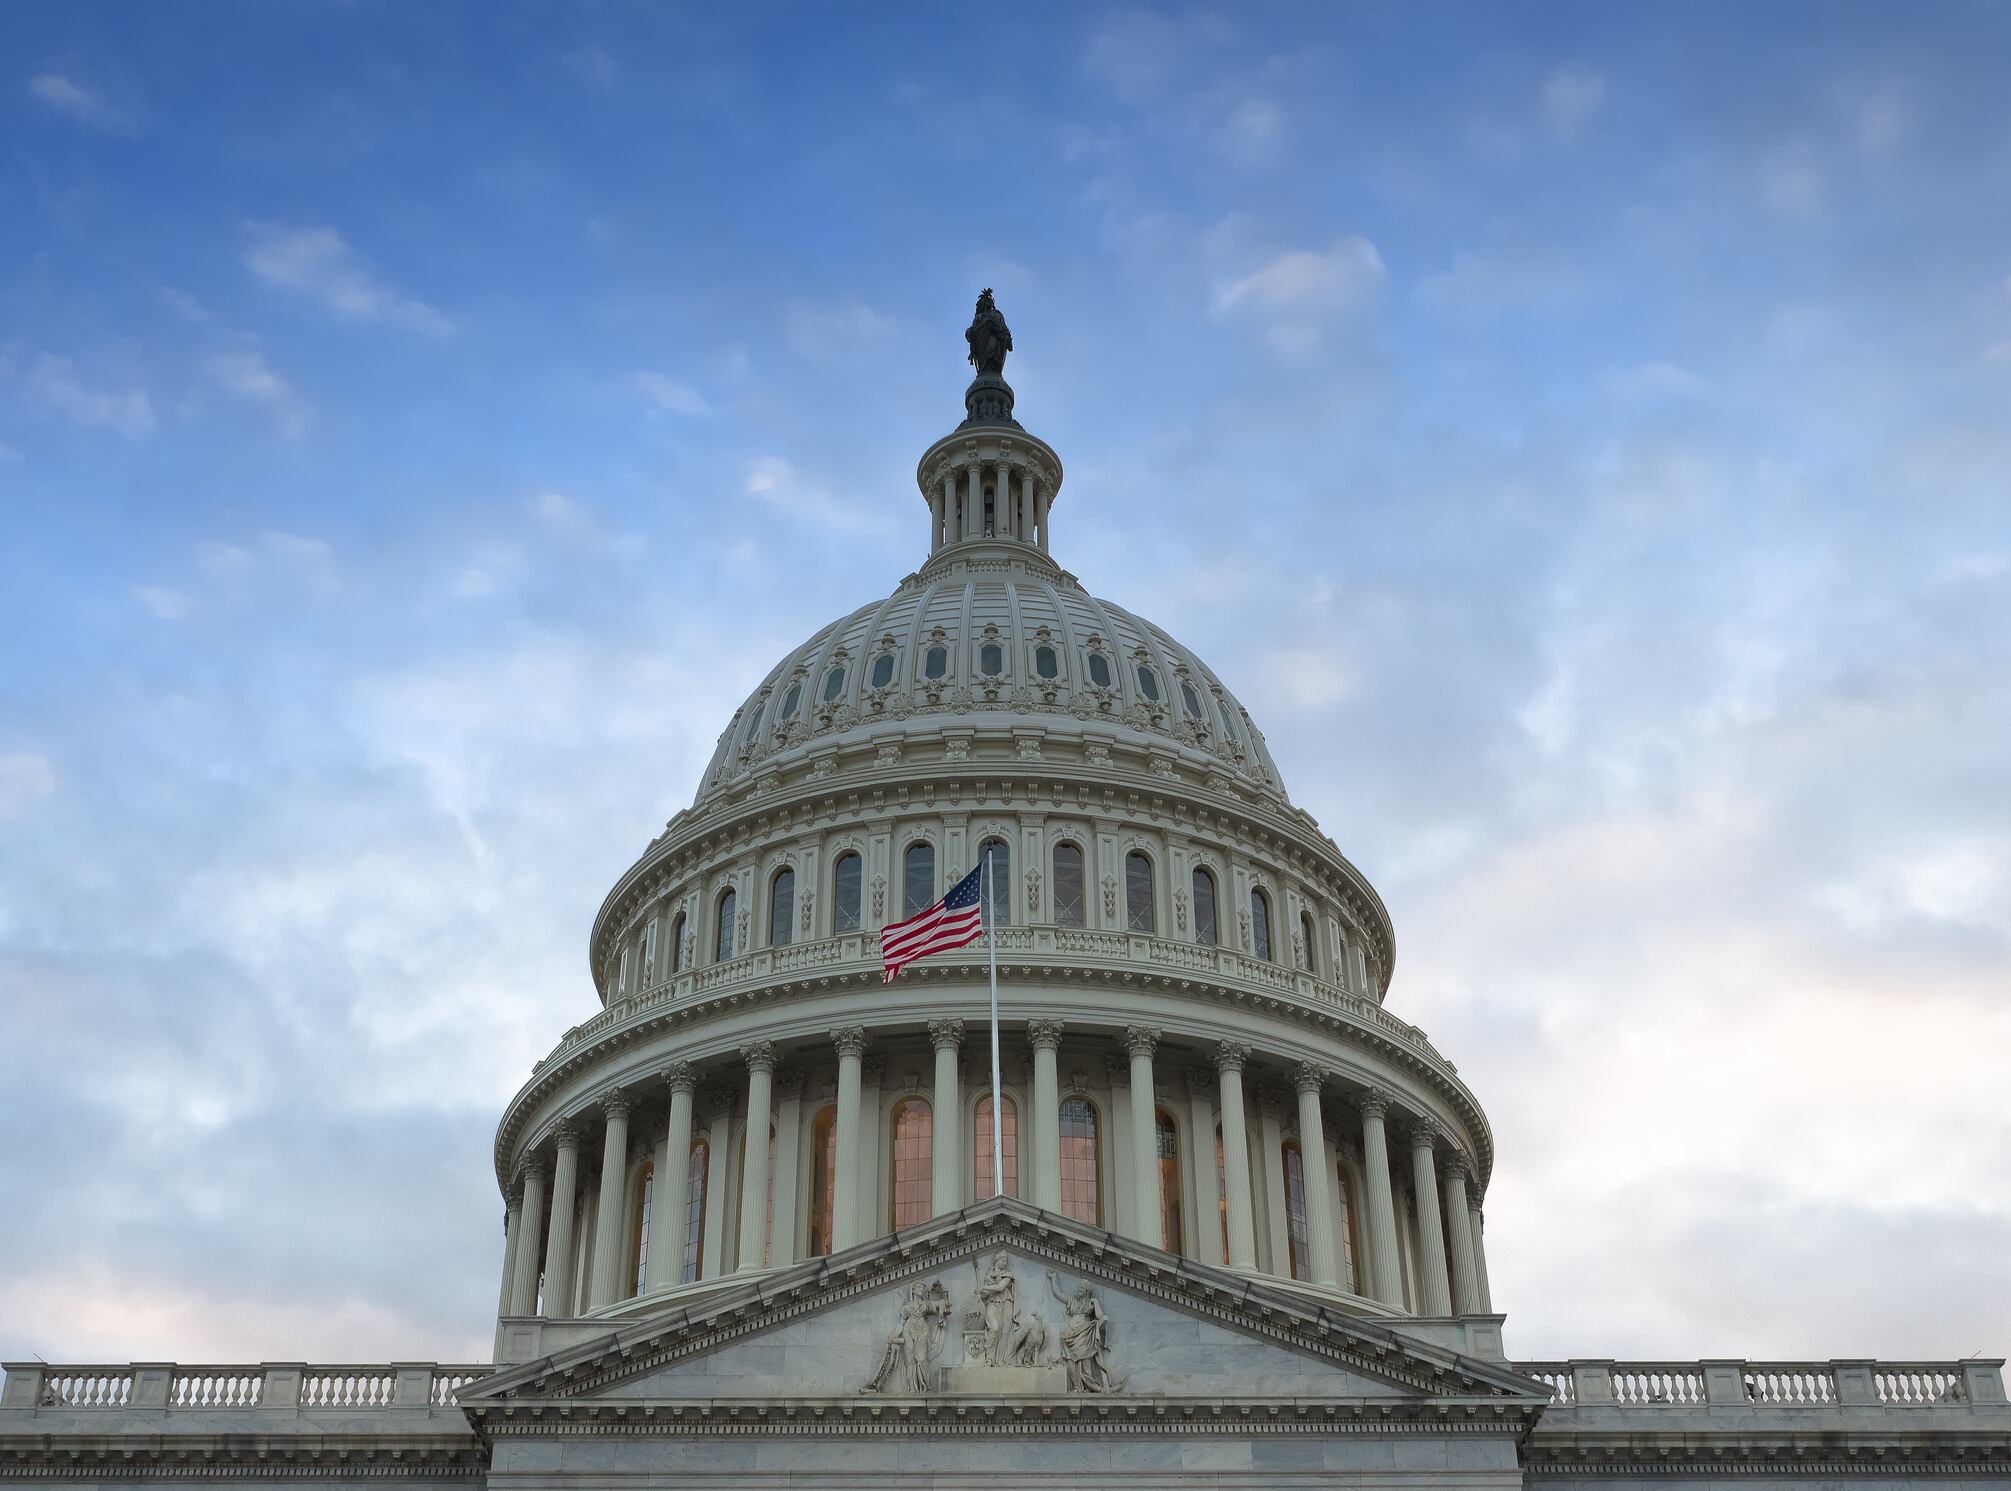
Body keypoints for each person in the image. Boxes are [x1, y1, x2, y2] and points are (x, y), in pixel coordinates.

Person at [863, 1281, 951, 1393]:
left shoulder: (925, 1304)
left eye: (923, 1287)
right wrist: (893, 1336)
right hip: (908, 1331)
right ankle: (912, 1388)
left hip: (922, 1331)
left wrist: (942, 1294)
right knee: (909, 1361)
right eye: (919, 1287)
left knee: (921, 1358)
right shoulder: (906, 1308)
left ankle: (926, 1386)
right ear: (913, 1290)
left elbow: (944, 1303)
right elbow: (901, 1324)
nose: (922, 1289)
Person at [1047, 1270, 1124, 1393]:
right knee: (1070, 1362)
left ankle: (1089, 1386)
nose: (1079, 1290)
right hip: (1070, 1335)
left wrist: (1101, 1315)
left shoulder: (1092, 1303)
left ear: (1087, 1291)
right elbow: (1057, 1293)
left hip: (1085, 1333)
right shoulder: (1072, 1300)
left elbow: (1100, 1316)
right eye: (1079, 1287)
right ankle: (1076, 1386)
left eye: (1082, 1288)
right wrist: (1053, 1278)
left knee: (1085, 1362)